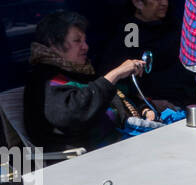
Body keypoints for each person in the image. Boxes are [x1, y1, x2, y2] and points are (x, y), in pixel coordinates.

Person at [24, 11, 151, 151]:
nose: (86, 46)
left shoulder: (79, 71)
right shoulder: (45, 80)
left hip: (124, 143)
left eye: (84, 40)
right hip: (90, 158)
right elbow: (72, 113)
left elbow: (116, 96)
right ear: (53, 44)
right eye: (77, 41)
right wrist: (115, 74)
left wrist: (144, 109)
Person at [100, 0, 196, 109]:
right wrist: (148, 103)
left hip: (189, 97)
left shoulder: (172, 23)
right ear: (138, 2)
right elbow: (129, 72)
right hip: (161, 105)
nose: (164, 2)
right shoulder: (131, 30)